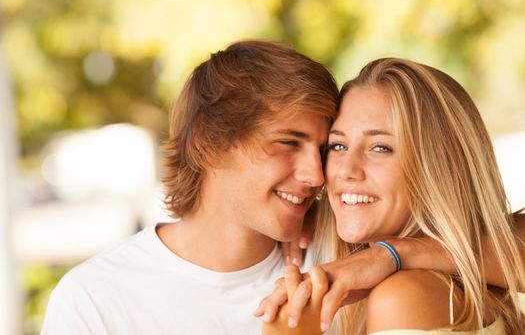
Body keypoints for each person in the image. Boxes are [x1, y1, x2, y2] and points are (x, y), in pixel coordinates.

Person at [41, 40, 340, 334]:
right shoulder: (93, 302)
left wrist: (384, 256)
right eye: (288, 143)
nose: (316, 176)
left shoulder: (340, 270)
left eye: (324, 151)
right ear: (210, 142)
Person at [258, 58, 525, 334]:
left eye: (381, 148)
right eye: (338, 145)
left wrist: (289, 328)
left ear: (438, 168)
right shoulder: (452, 288)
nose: (346, 170)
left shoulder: (403, 297)